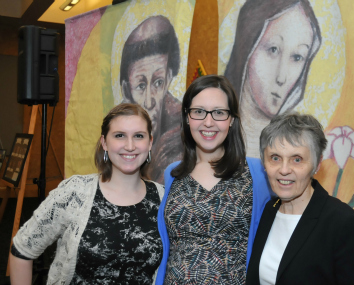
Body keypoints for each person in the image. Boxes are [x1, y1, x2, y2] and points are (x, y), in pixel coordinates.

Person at [10, 103, 164, 284]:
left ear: (150, 142)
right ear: (104, 142)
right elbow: (22, 249)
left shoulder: (163, 198)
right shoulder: (74, 193)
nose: (129, 146)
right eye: (119, 135)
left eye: (138, 136)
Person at [155, 75, 272, 284]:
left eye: (219, 113)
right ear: (187, 117)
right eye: (199, 112)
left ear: (232, 120)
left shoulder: (258, 174)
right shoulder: (173, 174)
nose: (208, 122)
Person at [246, 111, 354, 284]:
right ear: (264, 163)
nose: (284, 169)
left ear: (317, 164)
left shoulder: (345, 224)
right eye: (275, 158)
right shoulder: (269, 210)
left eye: (297, 159)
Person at [224, 0, 321, 157]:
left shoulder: (297, 154)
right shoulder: (207, 134)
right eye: (273, 49)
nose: (281, 77)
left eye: (297, 57)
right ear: (247, 47)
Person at [120, 15, 182, 182]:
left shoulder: (181, 137)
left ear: (169, 79)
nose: (149, 101)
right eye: (140, 86)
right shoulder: (119, 130)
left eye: (158, 83)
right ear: (127, 90)